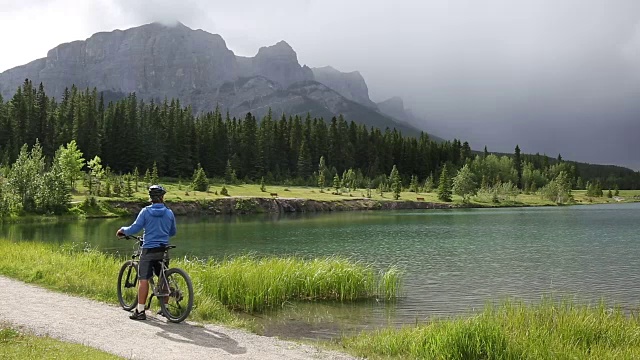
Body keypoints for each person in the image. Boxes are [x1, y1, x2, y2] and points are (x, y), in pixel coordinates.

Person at [116, 184, 177, 320]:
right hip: (164, 249)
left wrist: (122, 230)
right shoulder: (169, 212)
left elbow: (134, 228)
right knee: (163, 277)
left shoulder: (146, 211)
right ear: (161, 197)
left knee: (143, 279)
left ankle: (140, 311)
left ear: (151, 198)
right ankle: (164, 308)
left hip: (149, 249)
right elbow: (173, 232)